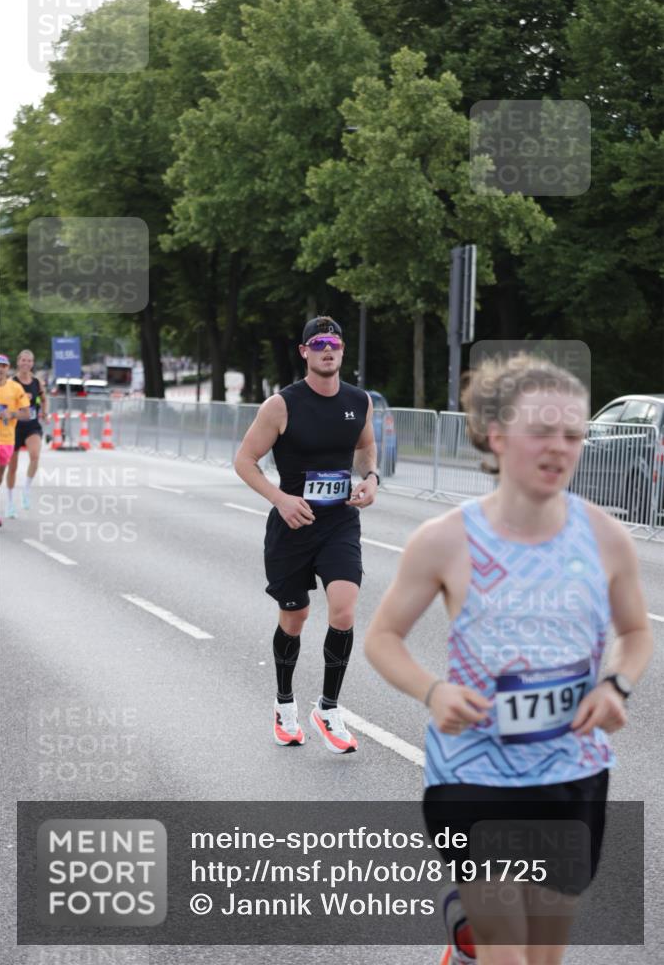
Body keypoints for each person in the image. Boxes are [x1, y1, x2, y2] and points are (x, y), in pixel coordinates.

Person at [364, 354, 653, 965]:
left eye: (573, 434)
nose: (560, 448)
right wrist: (433, 691)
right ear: (496, 435)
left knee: (544, 956)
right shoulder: (445, 539)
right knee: (506, 951)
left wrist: (616, 686)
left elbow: (634, 632)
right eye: (542, 431)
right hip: (474, 771)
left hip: (571, 769)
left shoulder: (606, 537)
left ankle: (465, 928)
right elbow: (383, 637)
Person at [234, 316, 379, 752]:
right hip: (293, 528)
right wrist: (280, 499)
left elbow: (365, 447)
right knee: (294, 618)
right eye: (318, 343)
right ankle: (284, 704)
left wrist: (371, 478)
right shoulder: (281, 405)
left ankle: (329, 709)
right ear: (304, 352)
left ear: (342, 350)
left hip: (339, 523)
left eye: (333, 342)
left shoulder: (359, 401)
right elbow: (244, 461)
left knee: (344, 610)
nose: (327, 349)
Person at [5, 349, 48, 517]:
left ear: (32, 363)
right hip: (14, 427)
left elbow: (44, 399)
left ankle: (26, 490)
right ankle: (10, 503)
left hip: (32, 425)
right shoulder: (11, 382)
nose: (26, 363)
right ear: (18, 362)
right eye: (23, 360)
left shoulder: (37, 382)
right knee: (12, 467)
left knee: (35, 456)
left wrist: (45, 412)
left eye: (29, 361)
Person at [0, 355, 31, 527]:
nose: (0, 369)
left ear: (8, 368)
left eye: (3, 366)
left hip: (7, 439)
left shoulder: (15, 388)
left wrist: (11, 414)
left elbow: (27, 413)